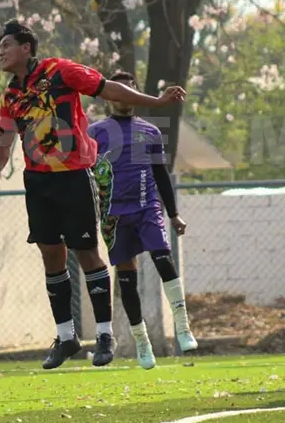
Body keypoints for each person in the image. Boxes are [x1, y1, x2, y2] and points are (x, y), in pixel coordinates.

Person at [0, 20, 186, 370]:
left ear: (26, 48)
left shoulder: (61, 71)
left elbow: (109, 89)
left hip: (73, 176)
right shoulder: (11, 95)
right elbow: (4, 136)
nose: (0, 51)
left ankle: (105, 335)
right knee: (50, 255)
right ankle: (66, 337)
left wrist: (155, 101)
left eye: (6, 45)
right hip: (38, 182)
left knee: (87, 253)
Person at [87, 70, 197, 370]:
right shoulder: (96, 133)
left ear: (136, 95)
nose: (124, 95)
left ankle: (183, 326)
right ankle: (141, 341)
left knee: (163, 258)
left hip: (147, 208)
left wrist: (173, 214)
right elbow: (86, 175)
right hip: (113, 215)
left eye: (129, 90)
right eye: (118, 89)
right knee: (127, 279)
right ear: (109, 96)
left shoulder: (150, 131)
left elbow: (161, 174)